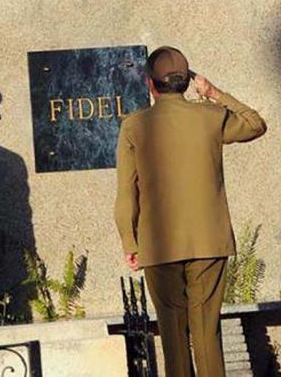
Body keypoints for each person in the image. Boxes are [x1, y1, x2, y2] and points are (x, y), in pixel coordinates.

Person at [114, 46, 267, 377]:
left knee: (173, 335)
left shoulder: (134, 126)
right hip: (208, 242)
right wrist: (213, 93)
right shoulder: (210, 117)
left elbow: (127, 191)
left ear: (150, 83)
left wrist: (130, 240)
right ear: (186, 82)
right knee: (206, 334)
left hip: (159, 244)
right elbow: (255, 124)